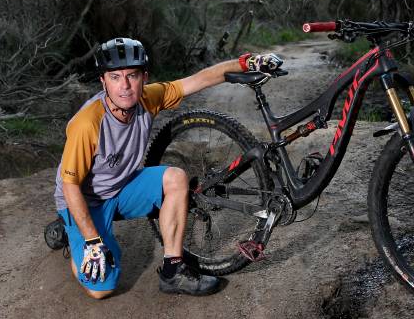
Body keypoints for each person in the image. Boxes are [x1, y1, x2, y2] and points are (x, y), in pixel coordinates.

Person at [52, 37, 283, 299]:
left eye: (132, 76)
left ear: (144, 77)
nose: (125, 86)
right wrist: (92, 242)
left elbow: (200, 79)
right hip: (84, 200)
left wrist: (248, 61)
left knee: (175, 178)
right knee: (100, 290)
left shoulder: (148, 99)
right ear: (103, 81)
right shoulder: (88, 123)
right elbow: (70, 186)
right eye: (115, 77)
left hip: (121, 187)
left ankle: (173, 272)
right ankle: (74, 237)